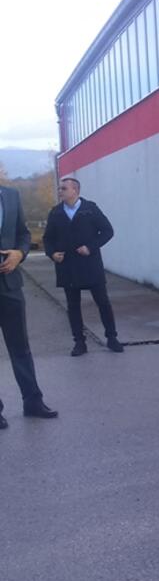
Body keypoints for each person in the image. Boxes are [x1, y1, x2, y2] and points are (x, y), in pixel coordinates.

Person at [42, 177, 123, 356]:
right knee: (73, 306)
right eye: (59, 188)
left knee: (103, 302)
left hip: (90, 265)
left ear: (75, 191)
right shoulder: (55, 213)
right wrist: (52, 253)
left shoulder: (90, 209)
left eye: (63, 188)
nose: (60, 191)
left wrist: (91, 247)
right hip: (67, 266)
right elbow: (48, 239)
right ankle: (79, 342)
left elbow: (108, 231)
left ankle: (112, 338)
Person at [0, 184, 58, 429]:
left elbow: (23, 234)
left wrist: (19, 254)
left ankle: (33, 401)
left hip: (10, 284)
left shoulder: (11, 195)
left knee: (20, 347)